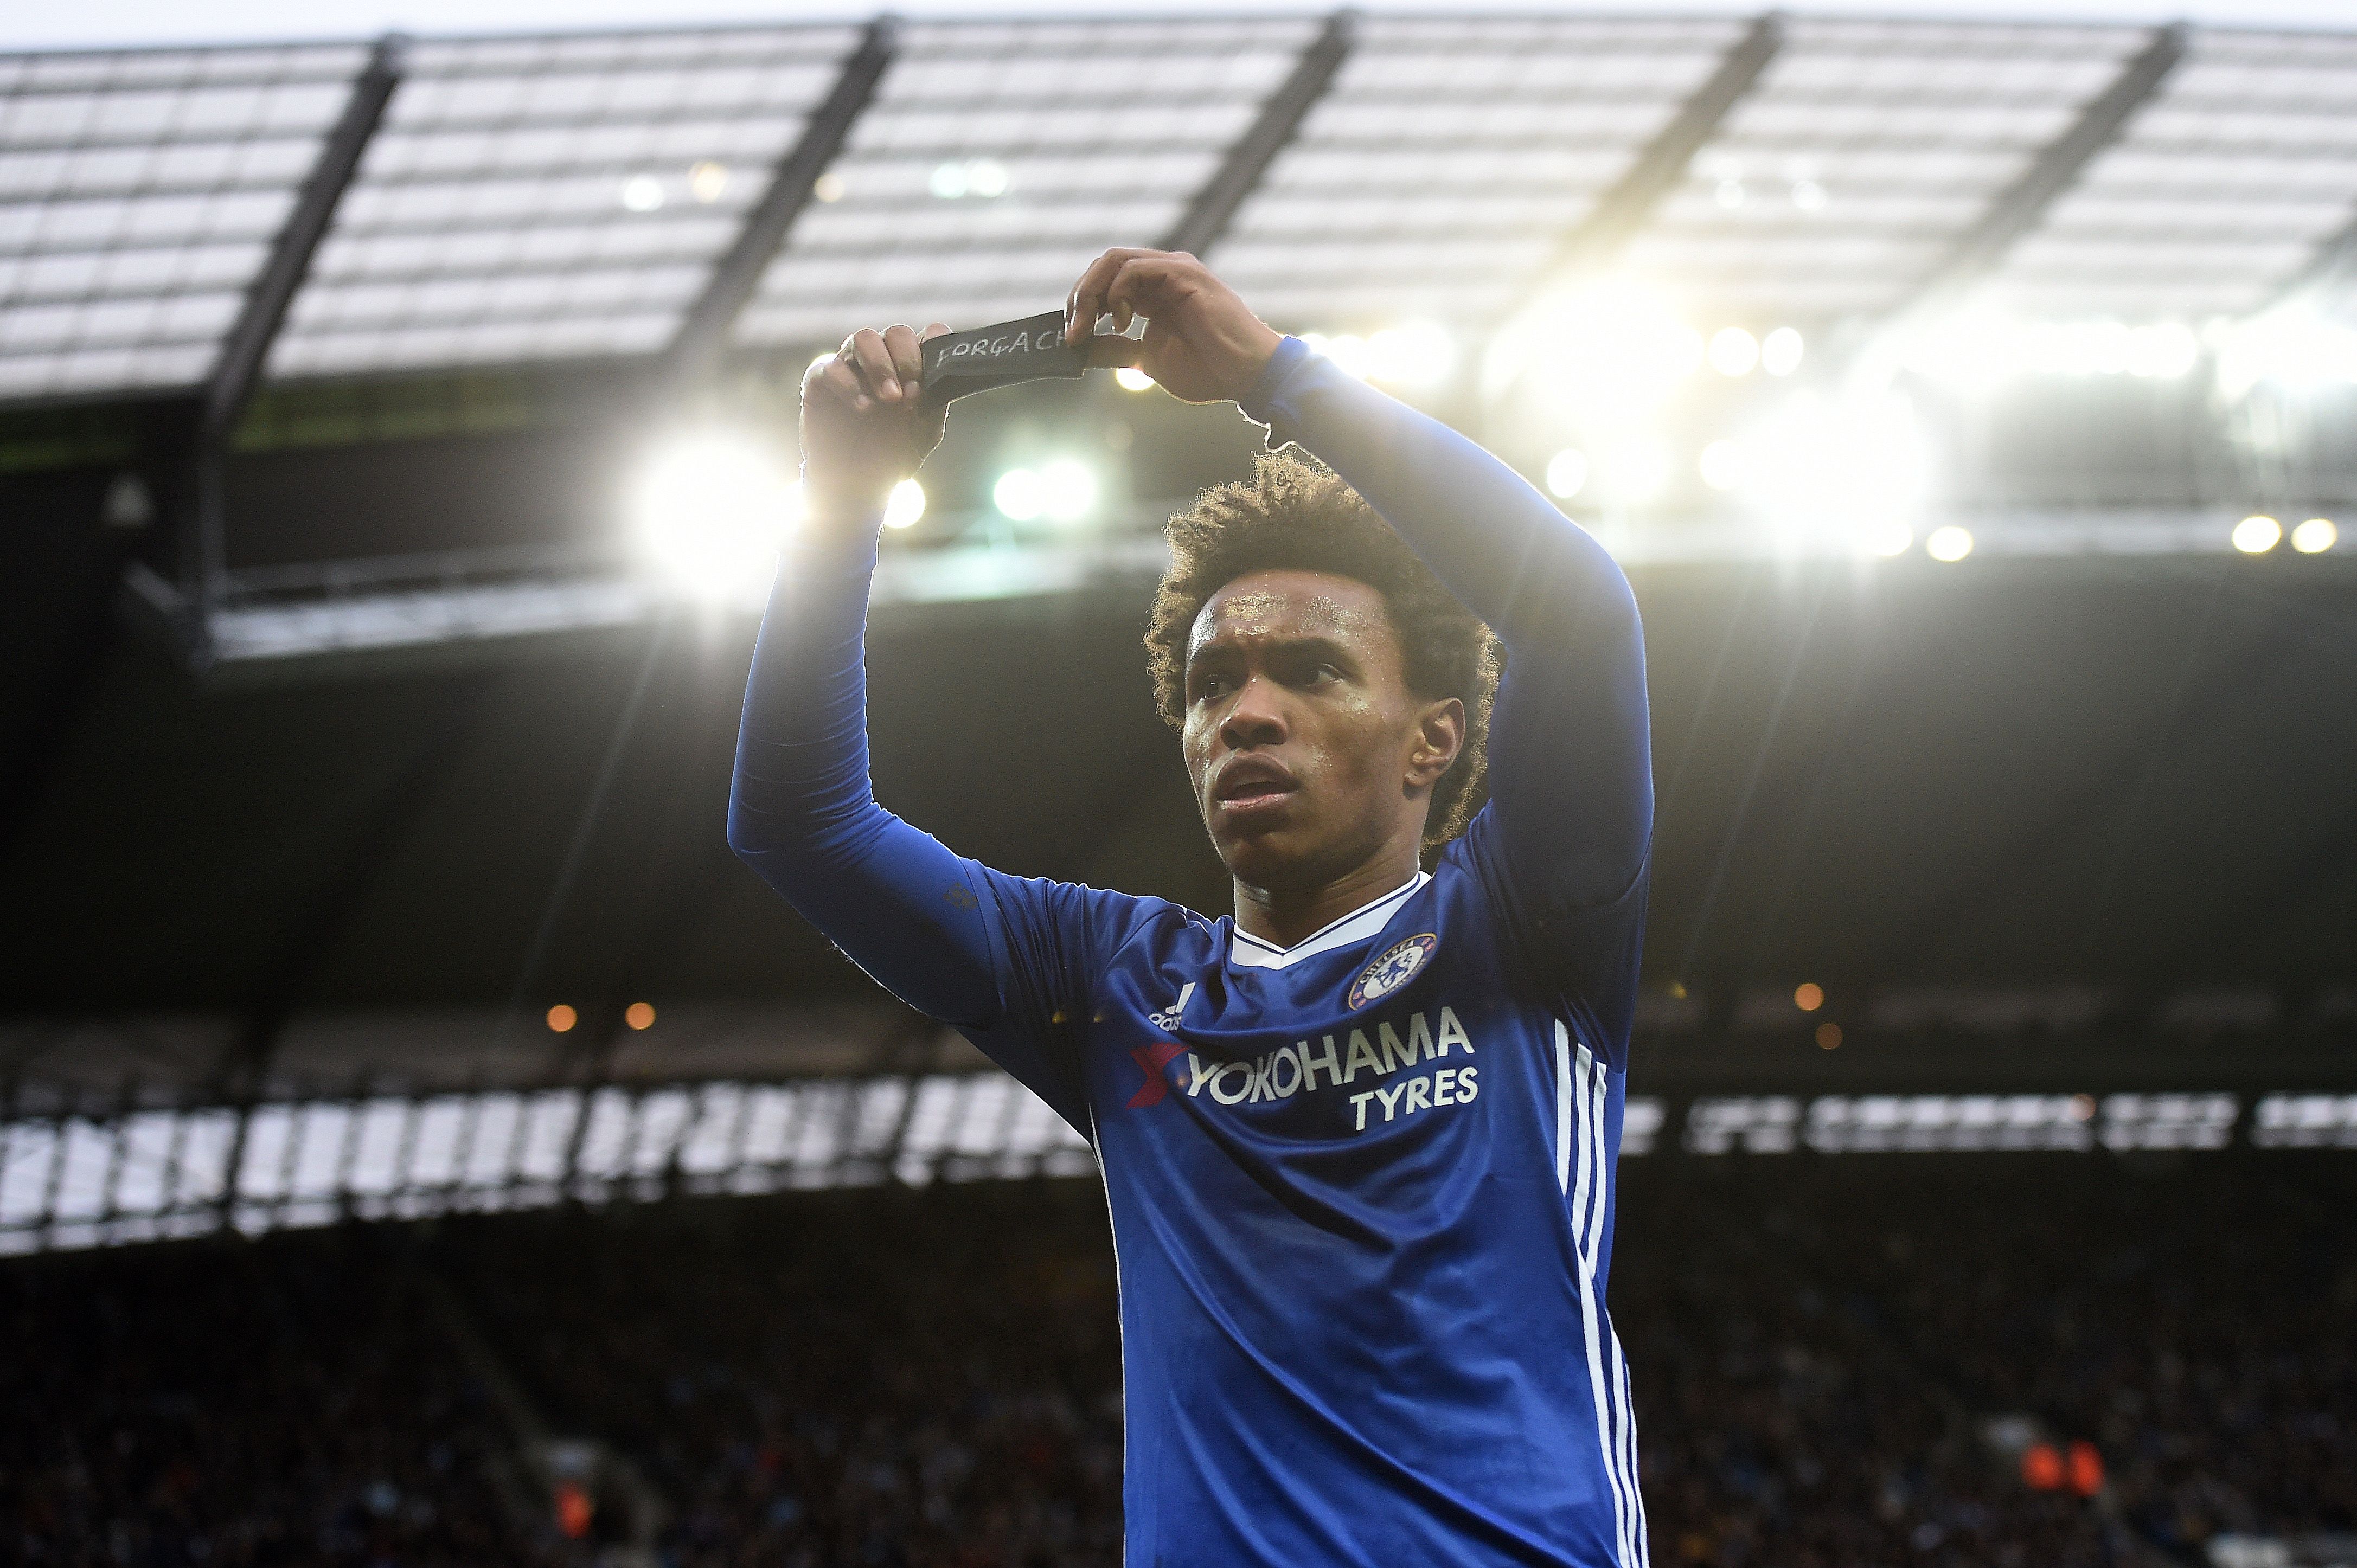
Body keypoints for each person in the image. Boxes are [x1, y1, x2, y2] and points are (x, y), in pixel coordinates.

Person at [730, 249, 1654, 1567]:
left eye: (1312, 671)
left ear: (1432, 740)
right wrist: (836, 506)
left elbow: (1583, 617)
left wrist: (1279, 378)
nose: (1249, 713)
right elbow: (799, 823)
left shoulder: (1526, 918)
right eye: (1212, 685)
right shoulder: (1111, 982)